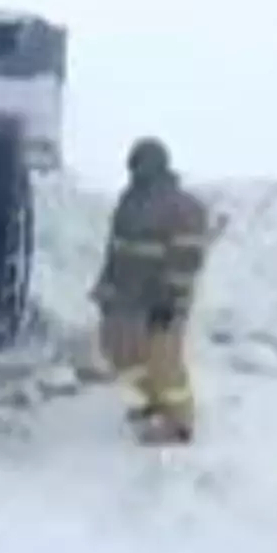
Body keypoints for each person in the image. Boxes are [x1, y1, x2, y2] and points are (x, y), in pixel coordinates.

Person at [90, 136, 211, 443]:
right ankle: (153, 401)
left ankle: (179, 423)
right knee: (118, 350)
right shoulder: (129, 200)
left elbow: (186, 258)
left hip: (163, 300)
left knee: (163, 359)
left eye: (140, 165)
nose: (135, 172)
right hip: (127, 297)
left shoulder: (183, 207)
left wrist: (169, 301)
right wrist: (105, 287)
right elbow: (115, 249)